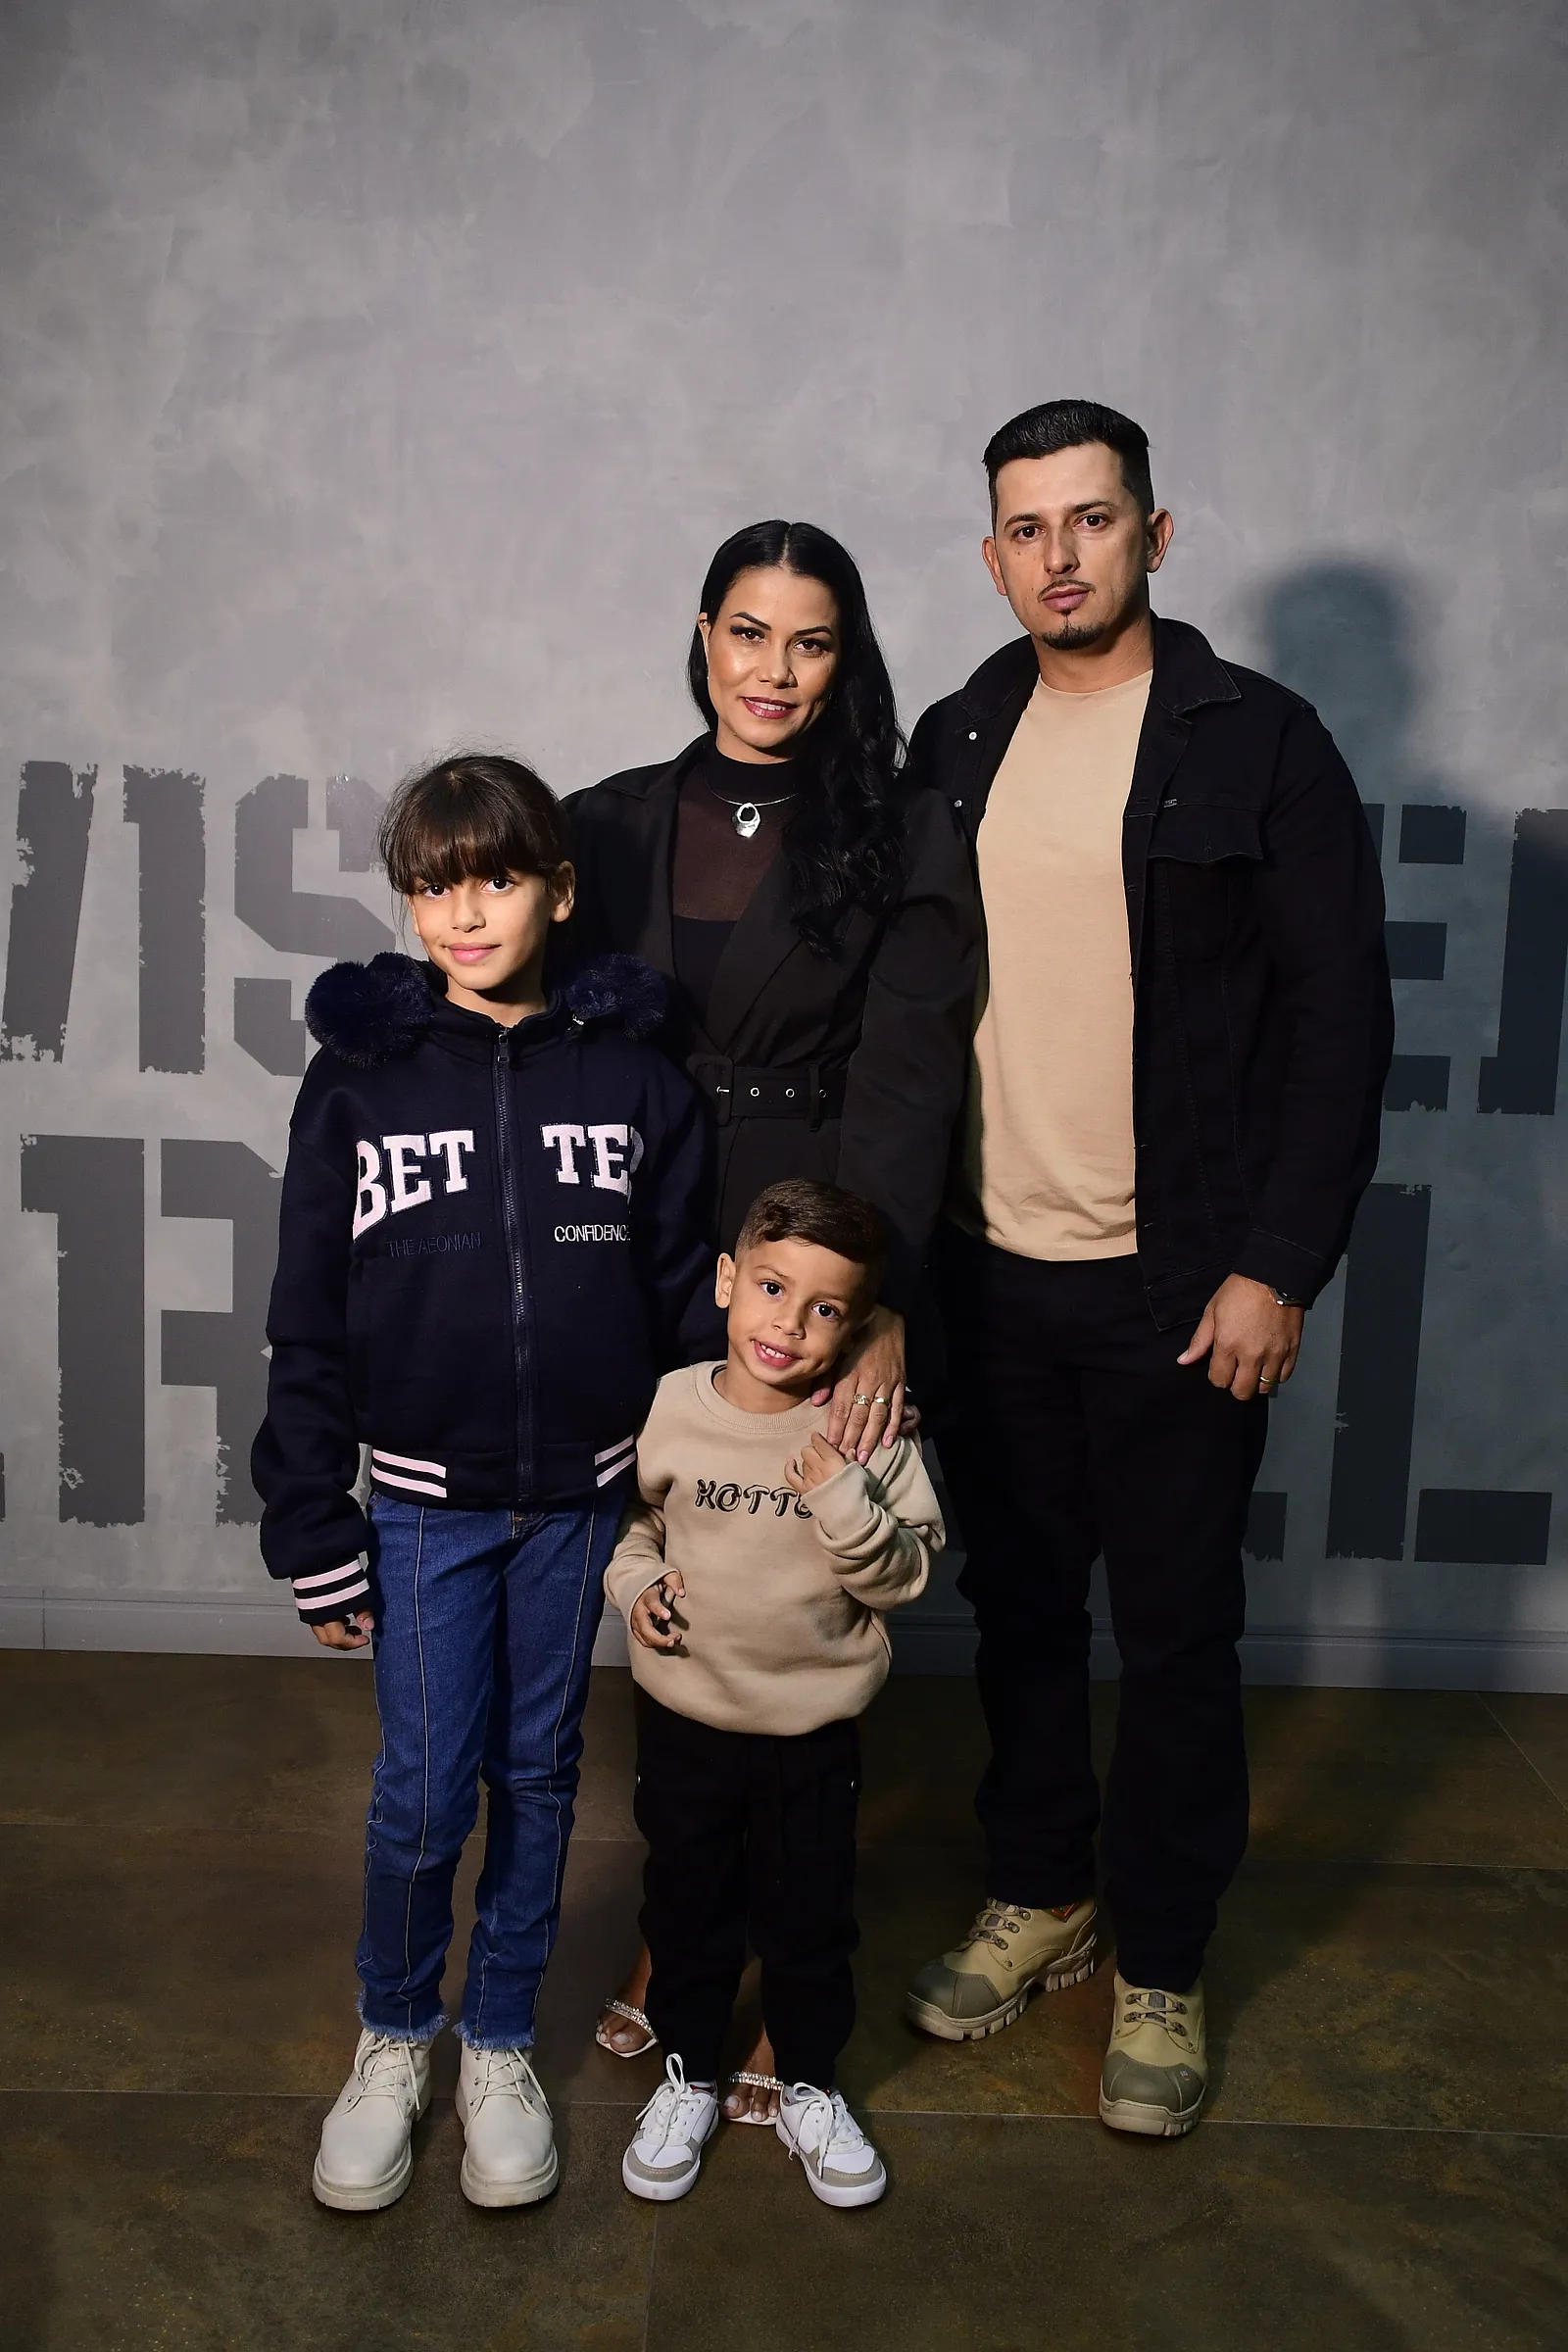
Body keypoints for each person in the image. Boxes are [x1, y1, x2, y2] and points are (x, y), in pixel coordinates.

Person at [903, 401, 1393, 2136]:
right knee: (1024, 1610)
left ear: (1155, 535)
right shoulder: (959, 734)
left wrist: (1278, 1266)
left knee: (1177, 1634)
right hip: (986, 1266)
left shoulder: (1262, 742)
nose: (1062, 556)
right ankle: (1044, 1890)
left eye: (1093, 520)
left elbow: (1339, 1024)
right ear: (993, 557)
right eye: (1029, 529)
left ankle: (1164, 1960)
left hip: (1177, 1281)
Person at [251, 754, 711, 2212]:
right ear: (409, 899)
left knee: (540, 1777)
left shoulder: (632, 1077)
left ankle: (499, 2038)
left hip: (579, 1505)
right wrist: (313, 1522)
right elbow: (308, 1316)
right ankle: (396, 2033)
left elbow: (685, 1308)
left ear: (559, 892)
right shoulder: (359, 1082)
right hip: (419, 1507)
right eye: (435, 885)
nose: (464, 913)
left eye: (498, 879)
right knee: (421, 1791)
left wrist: (685, 1501)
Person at [569, 520, 980, 2111]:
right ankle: (679, 1928)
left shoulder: (900, 828)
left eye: (810, 642)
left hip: (806, 1234)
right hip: (639, 1225)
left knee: (792, 1588)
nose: (774, 672)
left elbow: (911, 1080)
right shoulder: (609, 820)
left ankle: (783, 1960)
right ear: (704, 632)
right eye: (749, 632)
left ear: (844, 657)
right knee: (672, 1560)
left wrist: (876, 1302)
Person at [607, 1180, 944, 2207]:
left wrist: (841, 1493)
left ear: (859, 1324)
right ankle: (688, 2076)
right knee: (687, 1908)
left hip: (811, 1733)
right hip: (687, 1722)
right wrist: (636, 1589)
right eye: (770, 1288)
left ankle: (807, 2083)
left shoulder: (867, 1430)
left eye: (824, 1308)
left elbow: (906, 1576)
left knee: (809, 1921)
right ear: (726, 1281)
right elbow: (633, 1528)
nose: (788, 1325)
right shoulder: (670, 1406)